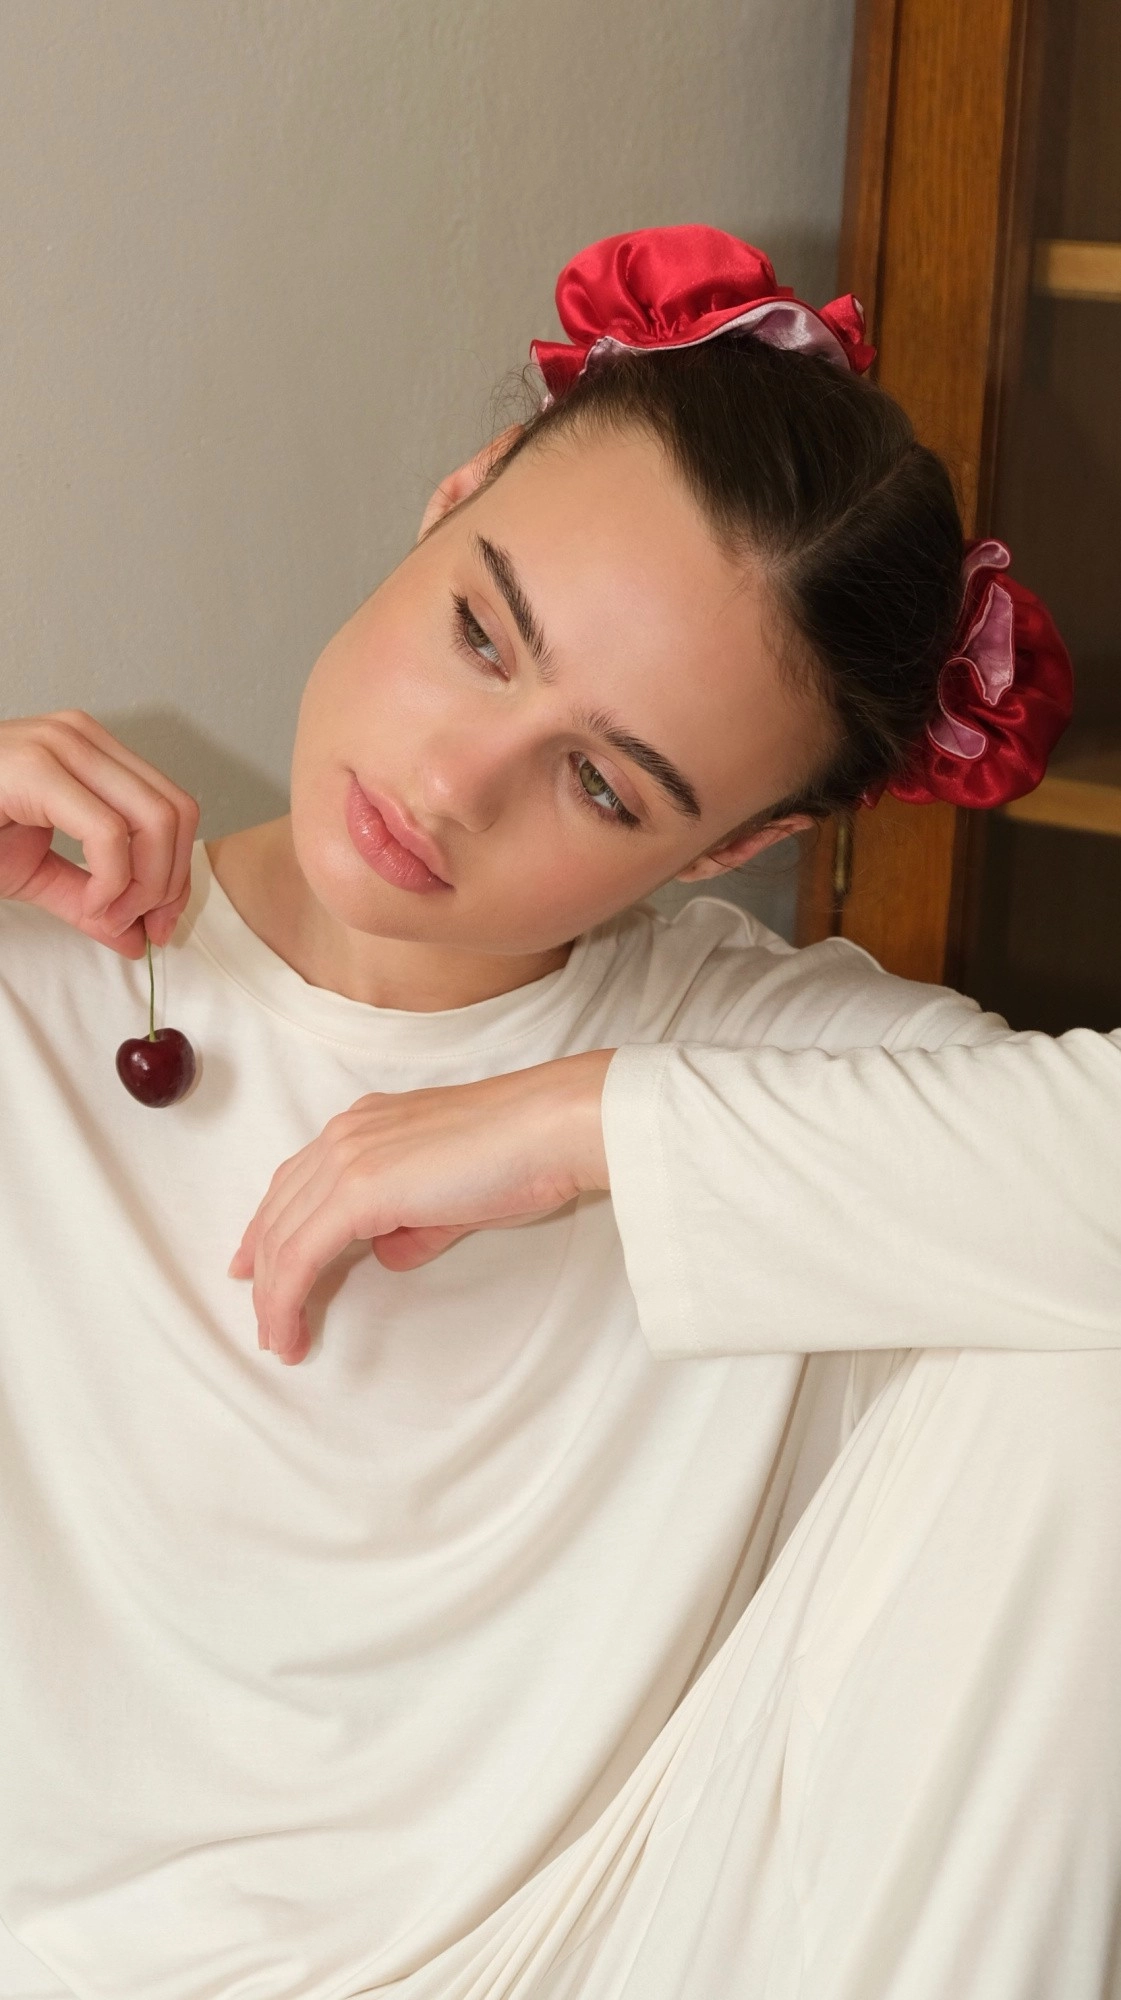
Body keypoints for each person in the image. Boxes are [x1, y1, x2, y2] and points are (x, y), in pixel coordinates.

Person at [0, 226, 1113, 2000]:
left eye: (602, 783)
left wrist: (583, 1127)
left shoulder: (753, 1064)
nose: (453, 781)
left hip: (595, 1953)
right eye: (480, 631)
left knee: (1080, 1357)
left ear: (733, 849)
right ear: (458, 493)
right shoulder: (31, 931)